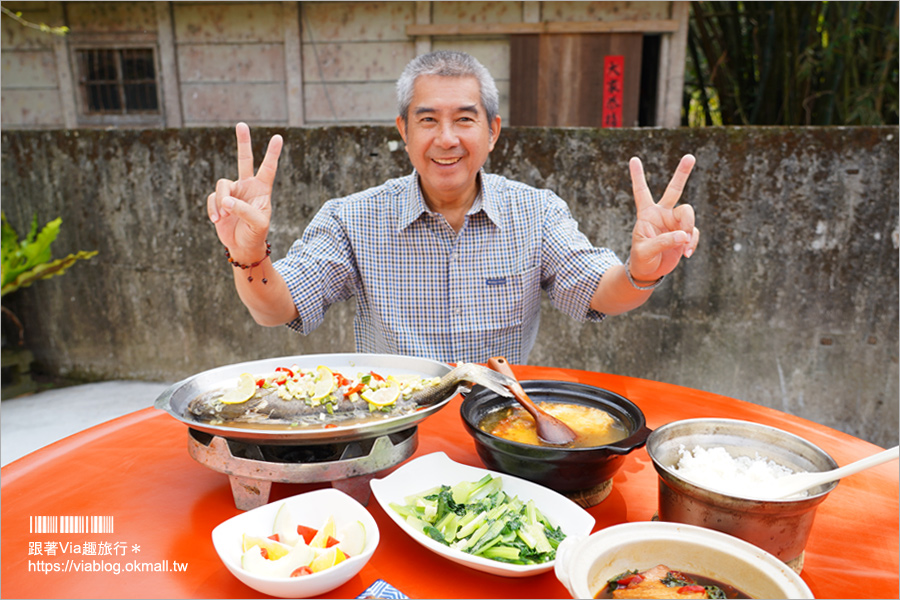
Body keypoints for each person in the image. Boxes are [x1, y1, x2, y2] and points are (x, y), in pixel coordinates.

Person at [207, 51, 698, 364]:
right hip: (391, 429)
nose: (446, 139)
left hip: (500, 427)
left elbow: (598, 291)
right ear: (403, 130)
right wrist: (249, 255)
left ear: (493, 131)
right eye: (427, 120)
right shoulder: (351, 219)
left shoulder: (537, 214)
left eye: (465, 119)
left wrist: (640, 272)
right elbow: (278, 308)